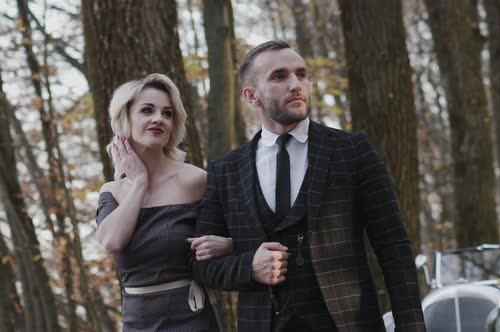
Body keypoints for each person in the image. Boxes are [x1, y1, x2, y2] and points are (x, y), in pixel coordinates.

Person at [191, 40, 426, 331]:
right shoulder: (225, 170)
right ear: (252, 96)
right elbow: (201, 265)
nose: (296, 84)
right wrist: (249, 266)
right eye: (279, 76)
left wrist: (411, 327)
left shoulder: (353, 151)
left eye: (301, 74)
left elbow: (394, 248)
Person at [95, 73, 232, 331]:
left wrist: (228, 244)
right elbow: (112, 241)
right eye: (147, 110)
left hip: (192, 318)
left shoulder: (196, 179)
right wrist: (139, 184)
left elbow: (243, 235)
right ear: (126, 118)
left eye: (167, 113)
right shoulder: (112, 192)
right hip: (137, 322)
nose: (159, 118)